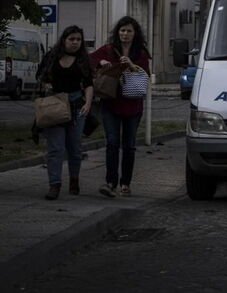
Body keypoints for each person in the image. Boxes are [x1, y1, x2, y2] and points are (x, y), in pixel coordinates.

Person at [90, 16, 151, 198]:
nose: (125, 34)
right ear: (118, 32)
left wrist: (131, 65)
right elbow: (89, 59)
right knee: (112, 142)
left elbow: (145, 75)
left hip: (133, 105)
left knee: (129, 145)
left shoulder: (140, 53)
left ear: (135, 33)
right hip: (112, 103)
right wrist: (100, 62)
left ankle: (126, 183)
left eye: (129, 31)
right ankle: (110, 182)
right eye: (122, 30)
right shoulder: (108, 50)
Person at [37, 26, 94, 200]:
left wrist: (88, 103)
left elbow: (89, 84)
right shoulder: (52, 57)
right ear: (64, 40)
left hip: (77, 105)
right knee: (55, 148)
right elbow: (40, 76)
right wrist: (46, 85)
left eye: (78, 39)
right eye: (72, 39)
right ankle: (54, 184)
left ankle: (74, 179)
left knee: (75, 147)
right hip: (55, 104)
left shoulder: (83, 60)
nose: (75, 42)